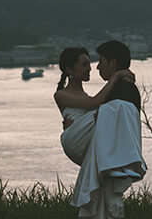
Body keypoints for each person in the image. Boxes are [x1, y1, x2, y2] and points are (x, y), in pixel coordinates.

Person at [54, 41, 146, 218]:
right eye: (84, 64)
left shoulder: (92, 96)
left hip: (84, 134)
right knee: (109, 110)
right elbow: (96, 104)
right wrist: (118, 76)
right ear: (69, 70)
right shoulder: (61, 94)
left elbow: (98, 107)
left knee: (102, 178)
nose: (91, 68)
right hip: (74, 138)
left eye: (91, 62)